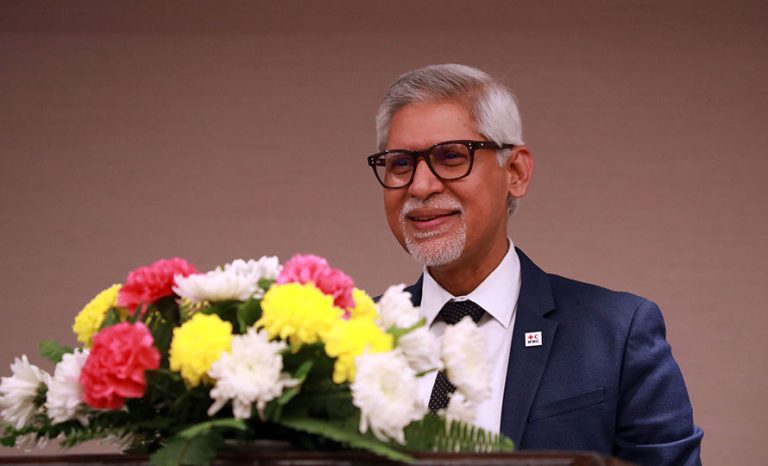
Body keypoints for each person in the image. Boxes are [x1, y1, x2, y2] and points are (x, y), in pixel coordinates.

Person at [365, 64, 703, 465]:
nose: (421, 186)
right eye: (401, 163)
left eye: (451, 156)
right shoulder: (350, 338)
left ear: (516, 172)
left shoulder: (615, 335)